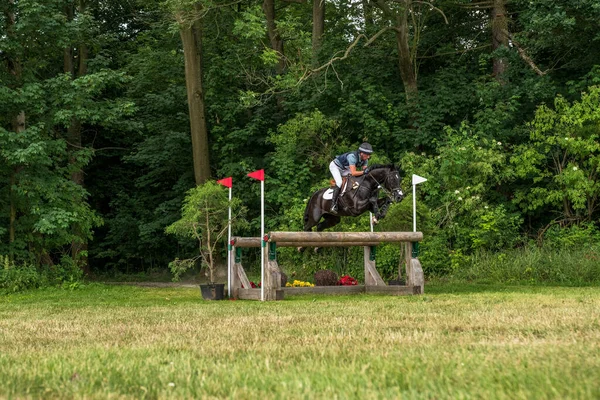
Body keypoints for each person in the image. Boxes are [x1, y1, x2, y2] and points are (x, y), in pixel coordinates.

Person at [329, 142, 373, 213]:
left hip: (345, 168)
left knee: (355, 180)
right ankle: (333, 205)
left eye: (369, 155)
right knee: (339, 182)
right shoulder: (352, 157)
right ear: (361, 153)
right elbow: (354, 172)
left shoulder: (365, 160)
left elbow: (365, 171)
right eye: (367, 154)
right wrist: (364, 172)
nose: (368, 157)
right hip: (335, 167)